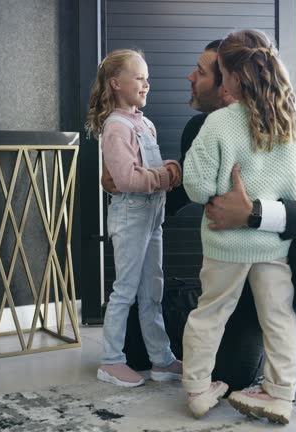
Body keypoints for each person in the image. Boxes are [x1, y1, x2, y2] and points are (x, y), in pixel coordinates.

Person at [102, 41, 296, 416]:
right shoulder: (214, 126)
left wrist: (253, 212)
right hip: (269, 253)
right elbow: (181, 196)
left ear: (229, 81)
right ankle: (280, 393)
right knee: (252, 351)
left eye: (204, 71)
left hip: (294, 249)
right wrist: (130, 181)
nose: (191, 77)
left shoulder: (286, 122)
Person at [180, 29, 296, 424]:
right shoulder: (294, 122)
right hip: (273, 245)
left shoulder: (220, 123)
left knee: (209, 313)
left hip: (225, 244)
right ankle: (279, 393)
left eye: (222, 74)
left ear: (235, 76)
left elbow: (197, 188)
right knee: (279, 317)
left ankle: (196, 388)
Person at [85, 49, 184, 388]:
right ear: (116, 84)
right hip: (130, 215)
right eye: (139, 77)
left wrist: (161, 175)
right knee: (125, 290)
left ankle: (161, 359)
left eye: (146, 77)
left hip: (153, 216)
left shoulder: (146, 123)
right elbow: (126, 179)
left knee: (151, 290)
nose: (147, 83)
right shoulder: (115, 127)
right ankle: (111, 360)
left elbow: (142, 172)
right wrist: (167, 175)